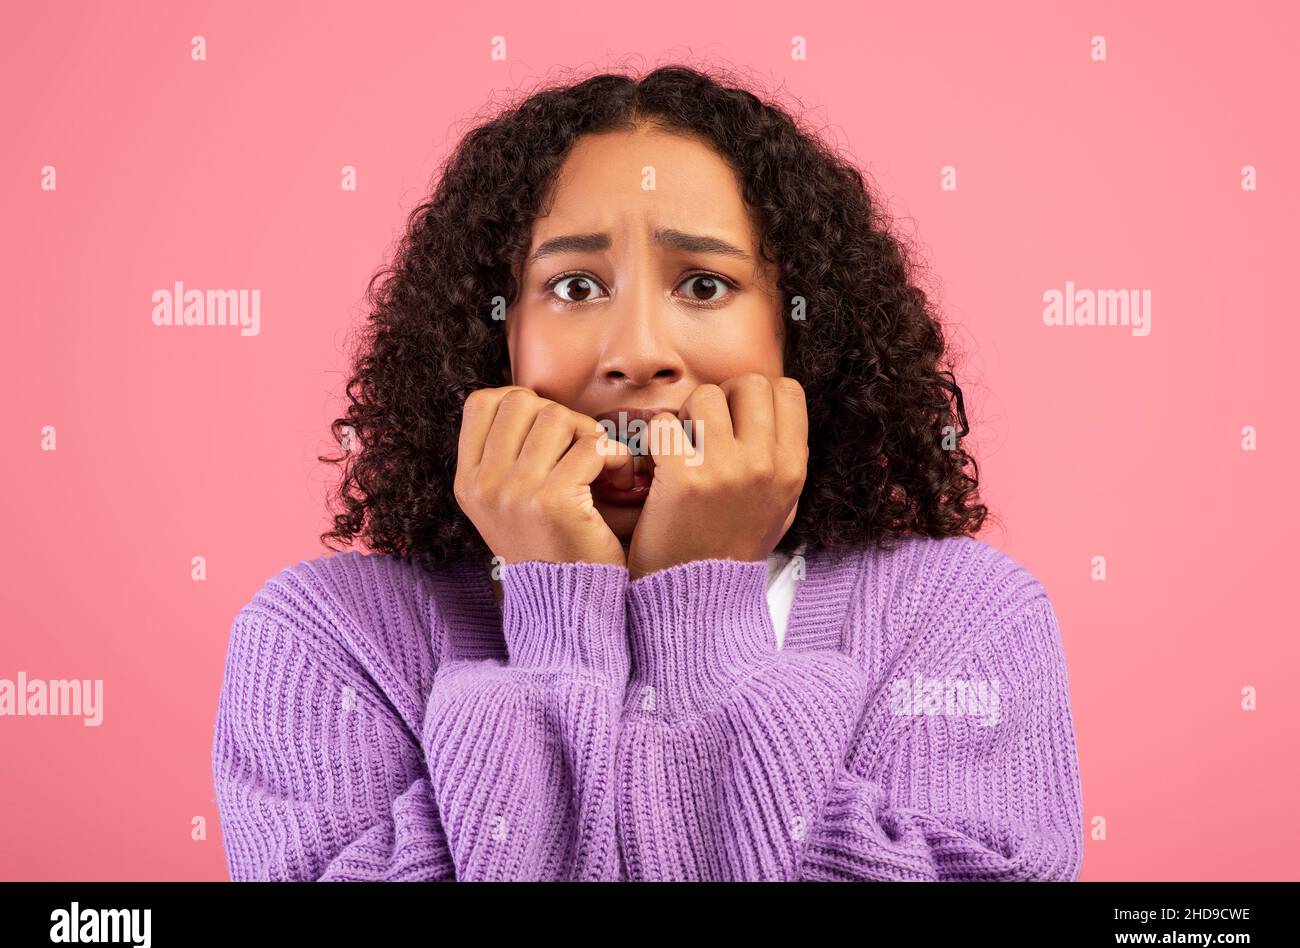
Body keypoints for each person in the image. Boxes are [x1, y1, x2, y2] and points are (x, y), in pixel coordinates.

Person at [211, 64, 1084, 881]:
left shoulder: (959, 617)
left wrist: (695, 606)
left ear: (800, 335)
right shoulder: (327, 640)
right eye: (575, 288)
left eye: (704, 286)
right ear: (493, 337)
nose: (636, 353)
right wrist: (559, 602)